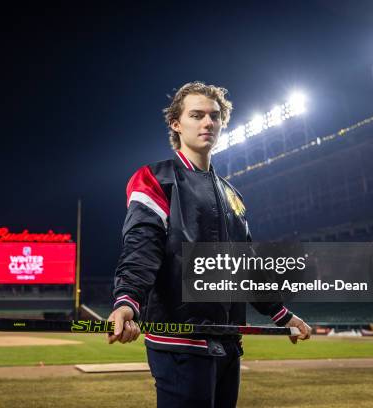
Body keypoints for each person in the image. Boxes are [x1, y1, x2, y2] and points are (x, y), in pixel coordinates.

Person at [107, 81, 312, 408]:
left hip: (228, 342)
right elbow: (141, 248)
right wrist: (127, 301)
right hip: (180, 344)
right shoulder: (155, 178)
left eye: (214, 116)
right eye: (197, 115)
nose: (208, 123)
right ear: (176, 123)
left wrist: (282, 315)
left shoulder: (233, 195)